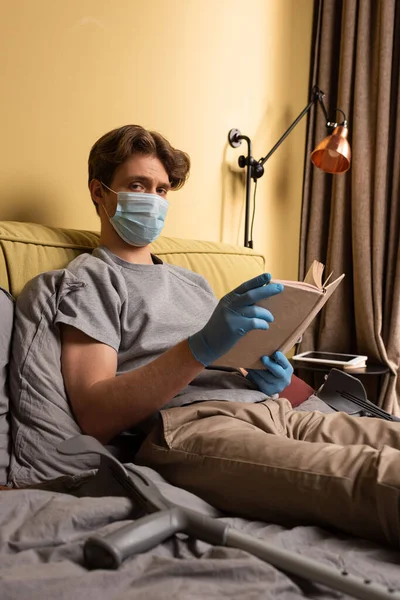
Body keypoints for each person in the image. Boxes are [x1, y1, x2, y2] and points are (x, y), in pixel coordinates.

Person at [12, 125, 400, 548]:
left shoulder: (192, 282)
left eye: (161, 190)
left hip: (273, 413)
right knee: (372, 478)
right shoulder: (91, 280)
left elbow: (229, 360)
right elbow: (95, 413)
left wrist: (265, 377)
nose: (153, 199)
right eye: (137, 185)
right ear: (99, 192)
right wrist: (200, 347)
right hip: (194, 429)